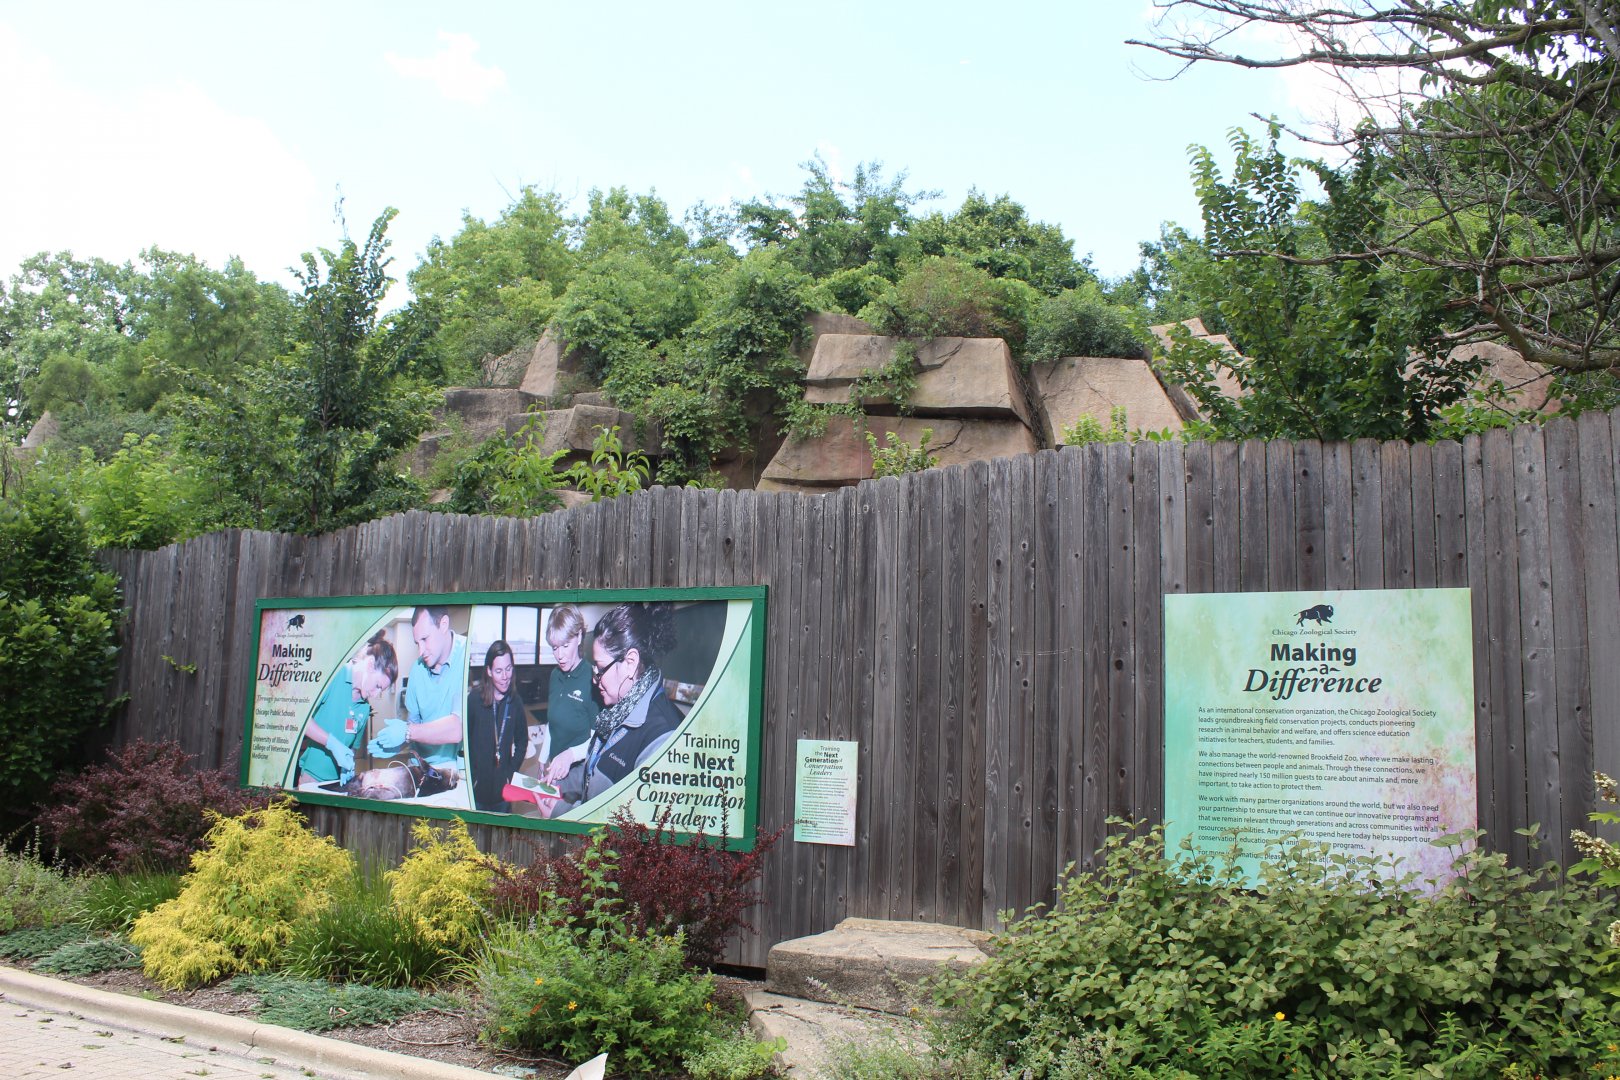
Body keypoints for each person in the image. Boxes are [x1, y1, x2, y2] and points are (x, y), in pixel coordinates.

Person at [545, 602, 680, 809]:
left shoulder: (662, 738)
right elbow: (593, 769)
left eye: (599, 668)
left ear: (630, 662)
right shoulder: (617, 709)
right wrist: (560, 784)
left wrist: (561, 811)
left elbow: (626, 823)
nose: (594, 679)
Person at [295, 630, 399, 787]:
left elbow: (352, 747)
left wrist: (348, 766)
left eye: (381, 690)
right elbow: (300, 718)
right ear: (370, 664)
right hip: (311, 777)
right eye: (378, 686)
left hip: (338, 782)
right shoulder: (334, 675)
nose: (376, 693)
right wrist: (332, 743)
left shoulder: (364, 708)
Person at [368, 605, 467, 766]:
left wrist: (407, 732)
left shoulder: (467, 656)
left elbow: (457, 729)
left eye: (425, 639)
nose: (421, 651)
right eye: (417, 643)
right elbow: (415, 726)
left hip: (454, 771)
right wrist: (399, 744)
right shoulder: (417, 669)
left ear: (443, 624)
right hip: (419, 767)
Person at [467, 640, 527, 812]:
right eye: (499, 671)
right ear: (489, 671)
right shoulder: (474, 700)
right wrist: (473, 777)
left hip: (503, 795)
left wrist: (510, 772)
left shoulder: (515, 702)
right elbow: (466, 741)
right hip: (477, 793)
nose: (505, 676)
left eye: (508, 669)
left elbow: (522, 743)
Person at [541, 604, 599, 780]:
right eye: (554, 647)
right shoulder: (554, 675)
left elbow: (598, 739)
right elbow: (552, 723)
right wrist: (543, 759)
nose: (559, 655)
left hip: (577, 773)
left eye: (565, 645)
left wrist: (570, 755)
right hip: (554, 767)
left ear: (579, 636)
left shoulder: (593, 679)